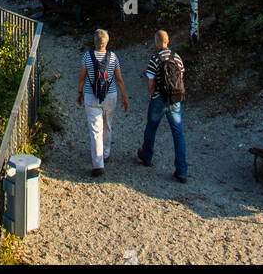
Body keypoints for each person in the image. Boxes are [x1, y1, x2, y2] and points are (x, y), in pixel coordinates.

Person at [137, 29, 187, 183]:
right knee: (178, 133)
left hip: (159, 99)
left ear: (157, 42)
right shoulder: (177, 57)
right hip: (175, 100)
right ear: (168, 41)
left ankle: (147, 156)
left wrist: (153, 94)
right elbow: (181, 76)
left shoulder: (155, 59)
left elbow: (150, 82)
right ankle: (182, 170)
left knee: (151, 128)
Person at [77, 29, 129, 178]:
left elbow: (82, 77)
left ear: (95, 42)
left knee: (95, 129)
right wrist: (124, 96)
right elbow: (119, 78)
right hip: (110, 94)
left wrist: (79, 92)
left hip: (91, 95)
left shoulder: (87, 56)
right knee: (107, 124)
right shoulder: (113, 57)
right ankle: (105, 153)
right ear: (107, 42)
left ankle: (98, 164)